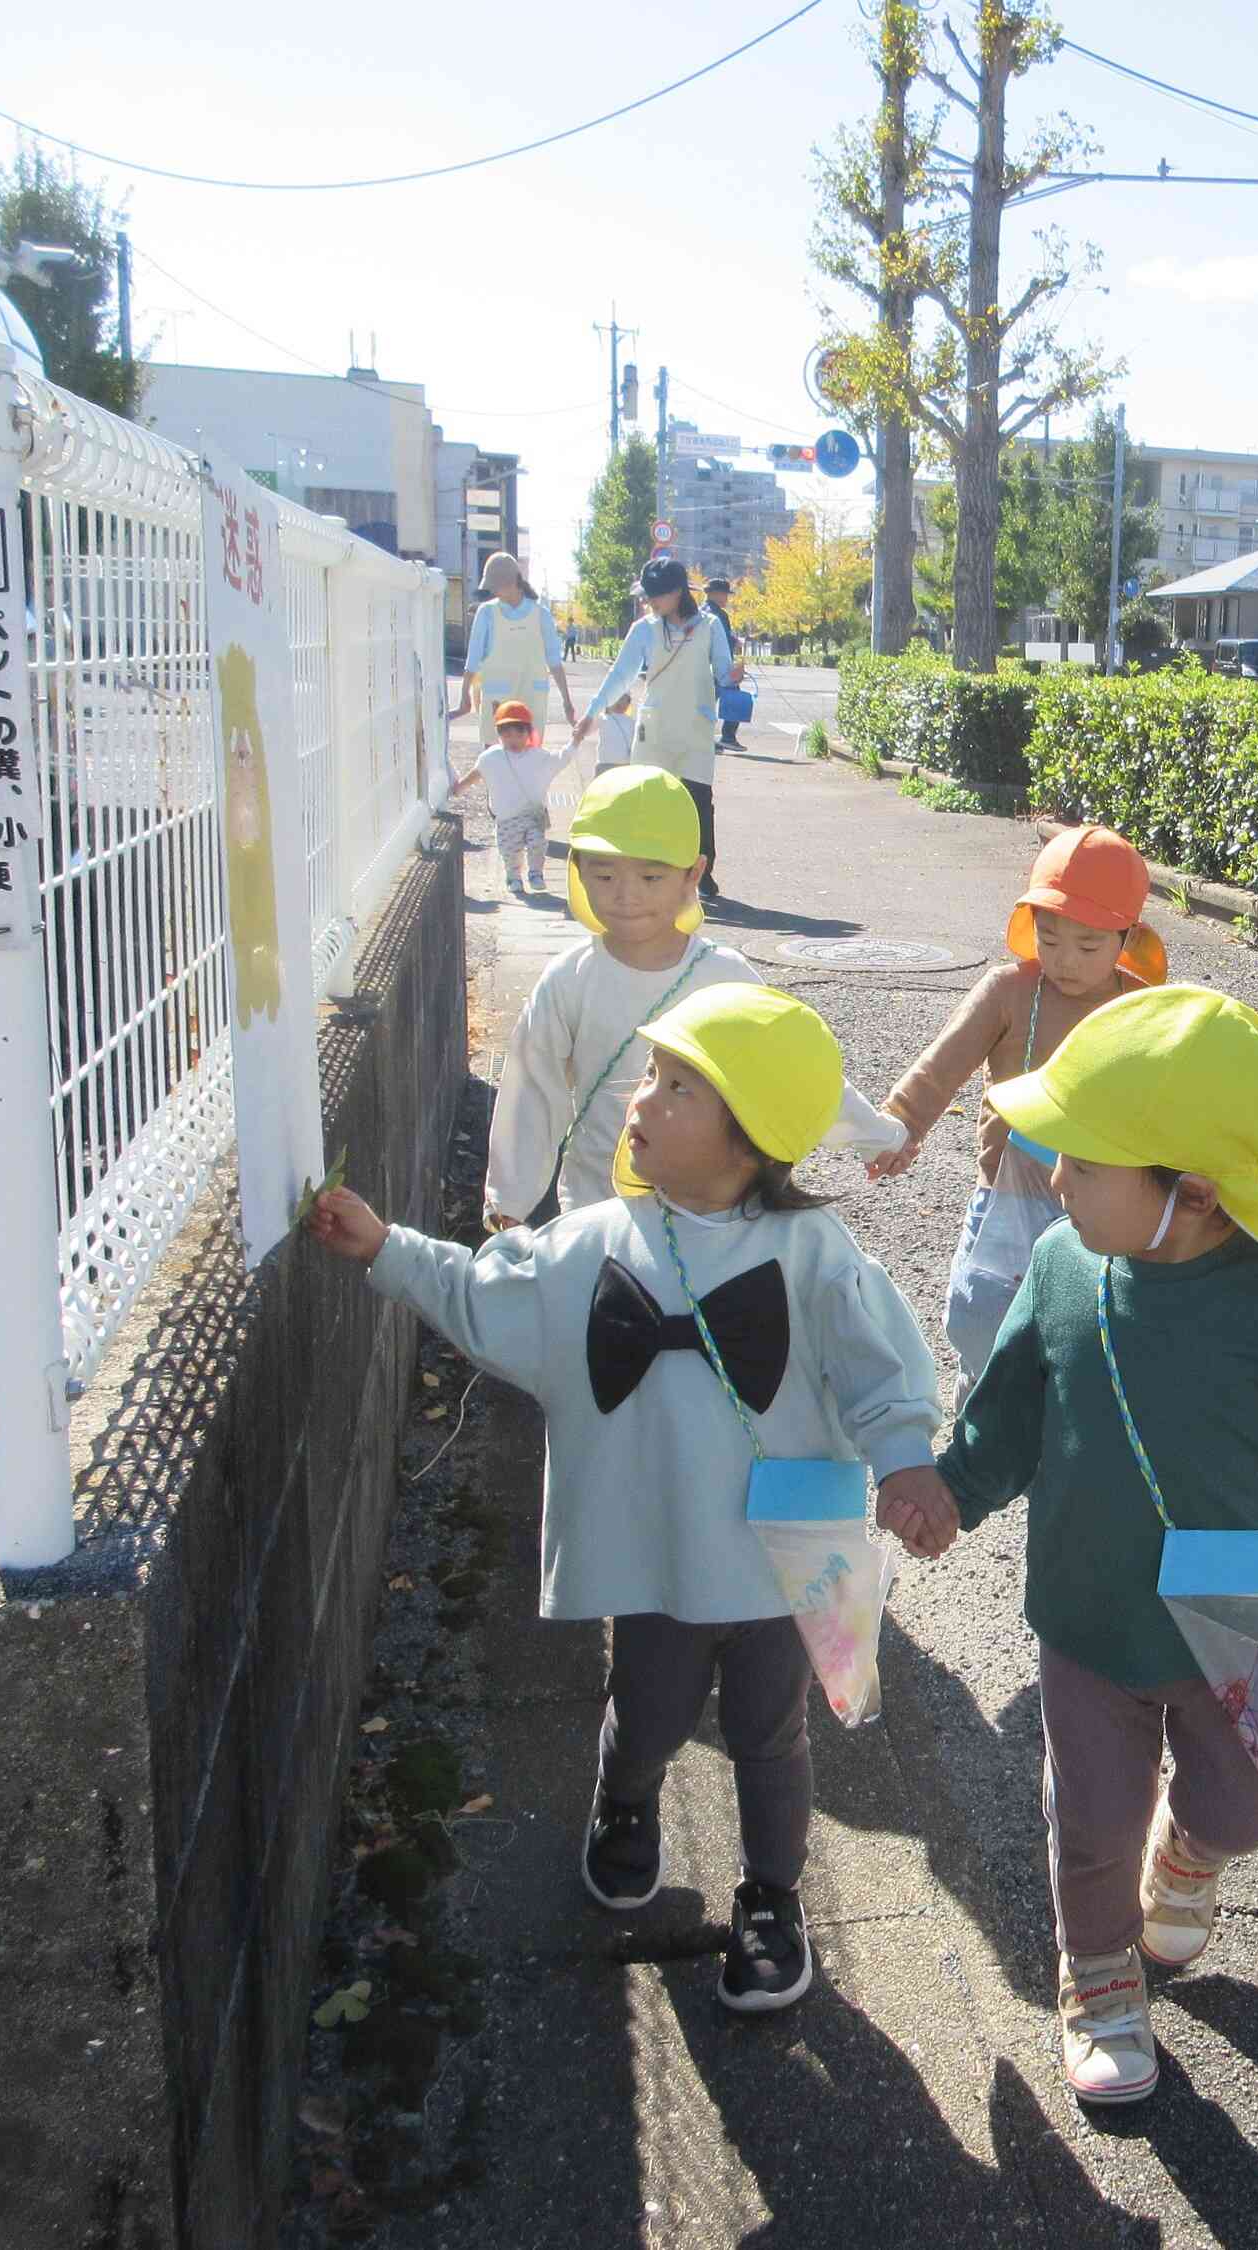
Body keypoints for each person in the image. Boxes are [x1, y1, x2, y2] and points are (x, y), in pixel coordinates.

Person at [885, 985, 1258, 2107]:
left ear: (1196, 1194)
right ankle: (1100, 1974)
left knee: (1248, 1804)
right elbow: (1007, 1415)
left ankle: (1193, 1854)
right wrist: (951, 1492)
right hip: (1088, 1619)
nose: (1054, 1180)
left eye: (1084, 1162)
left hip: (1239, 1617)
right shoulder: (1065, 1267)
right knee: (1092, 1823)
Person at [307, 983, 957, 2012]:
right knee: (647, 1711)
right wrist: (388, 1248)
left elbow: (882, 1370)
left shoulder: (814, 1255)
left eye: (680, 1087)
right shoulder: (592, 1242)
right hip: (654, 1557)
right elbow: (486, 1294)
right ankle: (625, 1800)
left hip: (784, 1563)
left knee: (771, 1733)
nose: (643, 1099)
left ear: (752, 1134)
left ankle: (773, 1898)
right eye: (651, 1076)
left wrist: (909, 1463)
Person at [483, 768, 904, 1231]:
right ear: (577, 868)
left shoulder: (725, 977)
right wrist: (510, 1203)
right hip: (598, 1212)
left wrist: (876, 1136)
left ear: (693, 874)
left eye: (650, 876)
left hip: (713, 1212)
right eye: (604, 875)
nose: (626, 895)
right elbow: (531, 1092)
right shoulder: (569, 978)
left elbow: (793, 1074)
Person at [868, 826, 1169, 1385]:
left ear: (1126, 940)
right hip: (1006, 1194)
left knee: (1090, 1342)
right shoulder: (1009, 990)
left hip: (1106, 1205)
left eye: (1088, 945)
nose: (1066, 961)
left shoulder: (1143, 1008)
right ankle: (980, 1433)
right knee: (987, 1328)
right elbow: (943, 1064)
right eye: (1050, 938)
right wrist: (901, 1121)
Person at [589, 558, 733, 895]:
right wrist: (592, 711)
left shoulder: (710, 626)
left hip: (696, 727)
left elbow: (723, 672)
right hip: (654, 726)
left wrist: (733, 677)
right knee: (650, 800)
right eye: (647, 595)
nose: (648, 601)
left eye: (655, 595)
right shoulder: (645, 628)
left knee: (698, 801)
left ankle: (703, 872)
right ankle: (650, 870)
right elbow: (621, 674)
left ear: (676, 592)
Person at [462, 551, 580, 748]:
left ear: (510, 583)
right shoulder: (487, 613)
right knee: (496, 761)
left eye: (495, 586)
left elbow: (555, 663)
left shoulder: (541, 615)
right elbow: (472, 660)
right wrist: (464, 694)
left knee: (529, 761)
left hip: (531, 699)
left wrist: (566, 701)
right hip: (497, 702)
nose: (493, 592)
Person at [456, 699, 558, 892]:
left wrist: (575, 743)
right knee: (510, 850)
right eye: (507, 734)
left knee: (538, 842)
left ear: (529, 733)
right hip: (506, 817)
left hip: (532, 814)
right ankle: (513, 877)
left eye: (520, 734)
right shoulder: (491, 757)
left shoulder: (537, 755)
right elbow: (477, 773)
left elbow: (556, 761)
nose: (514, 739)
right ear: (499, 735)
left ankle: (536, 873)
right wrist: (460, 787)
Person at [705, 576, 755, 750]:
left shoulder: (699, 611)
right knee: (735, 699)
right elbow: (722, 640)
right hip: (721, 666)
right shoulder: (718, 615)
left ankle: (706, 739)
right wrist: (735, 643)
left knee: (705, 705)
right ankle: (728, 736)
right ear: (717, 594)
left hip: (704, 665)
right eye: (725, 595)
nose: (727, 599)